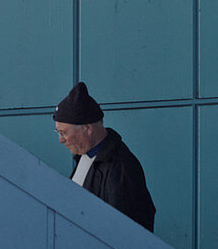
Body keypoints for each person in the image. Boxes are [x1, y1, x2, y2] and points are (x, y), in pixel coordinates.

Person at [53, 81, 155, 232]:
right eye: (58, 133)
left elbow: (125, 230)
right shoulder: (86, 157)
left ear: (88, 128)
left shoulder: (121, 167)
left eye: (65, 133)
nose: (61, 140)